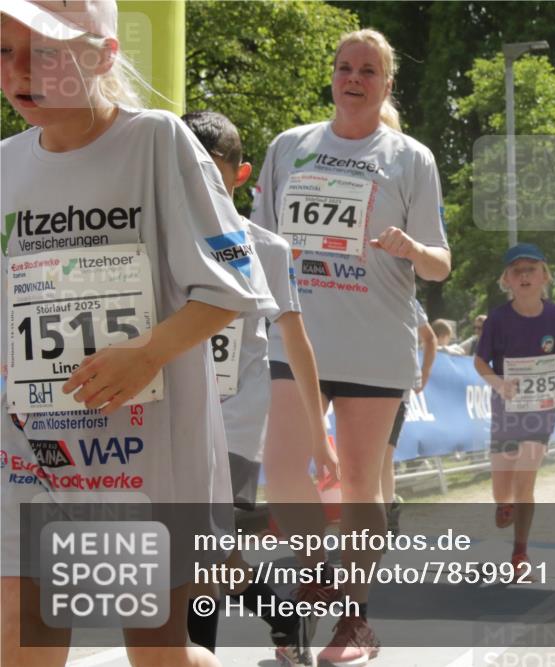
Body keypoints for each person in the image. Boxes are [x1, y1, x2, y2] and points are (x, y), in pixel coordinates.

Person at [1, 3, 277, 666]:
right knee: (21, 629)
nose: (17, 72)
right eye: (3, 52)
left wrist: (146, 351)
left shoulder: (158, 140)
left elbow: (235, 288)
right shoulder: (5, 164)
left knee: (157, 652)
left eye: (43, 53)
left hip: (142, 458)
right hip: (29, 452)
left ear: (100, 54)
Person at [251, 27, 450, 666]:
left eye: (368, 69)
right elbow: (255, 239)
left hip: (374, 342)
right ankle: (317, 568)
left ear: (386, 84)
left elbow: (442, 263)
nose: (354, 78)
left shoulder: (410, 157)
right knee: (282, 469)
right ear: (332, 77)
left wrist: (412, 250)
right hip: (296, 334)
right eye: (344, 67)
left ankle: (353, 620)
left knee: (362, 485)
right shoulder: (290, 147)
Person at [182, 110, 331, 665]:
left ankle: (203, 654)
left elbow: (296, 340)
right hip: (163, 418)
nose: (194, 185)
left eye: (209, 172)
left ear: (240, 175)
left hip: (233, 426)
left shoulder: (267, 248)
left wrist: (319, 434)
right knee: (200, 552)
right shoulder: (152, 237)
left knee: (200, 553)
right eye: (181, 170)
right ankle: (281, 610)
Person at [474, 243, 555, 578]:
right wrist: (500, 384)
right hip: (506, 408)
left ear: (545, 276)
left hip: (542, 410)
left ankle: (520, 554)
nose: (524, 276)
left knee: (527, 473)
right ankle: (504, 504)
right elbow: (479, 361)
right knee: (502, 486)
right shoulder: (497, 319)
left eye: (531, 269)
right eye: (516, 270)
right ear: (506, 279)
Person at [382, 298, 435, 533]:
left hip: (394, 387)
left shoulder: (408, 297)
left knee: (383, 458)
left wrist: (423, 373)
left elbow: (430, 338)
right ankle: (377, 515)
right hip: (356, 383)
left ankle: (384, 517)